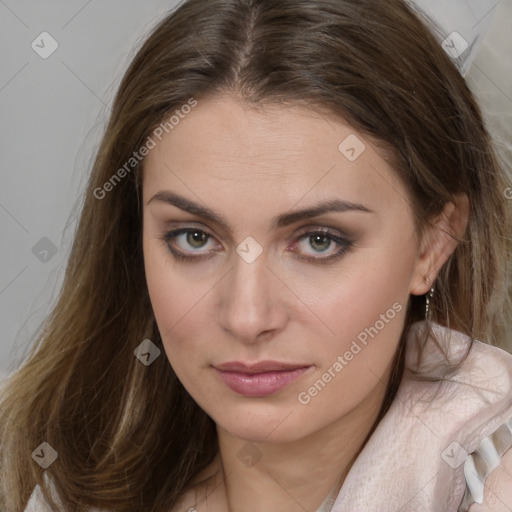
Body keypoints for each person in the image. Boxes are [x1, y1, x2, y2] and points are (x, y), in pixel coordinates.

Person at [1, 0, 511, 511]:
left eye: (319, 241)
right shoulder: (56, 488)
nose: (247, 317)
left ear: (433, 243)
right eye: (194, 238)